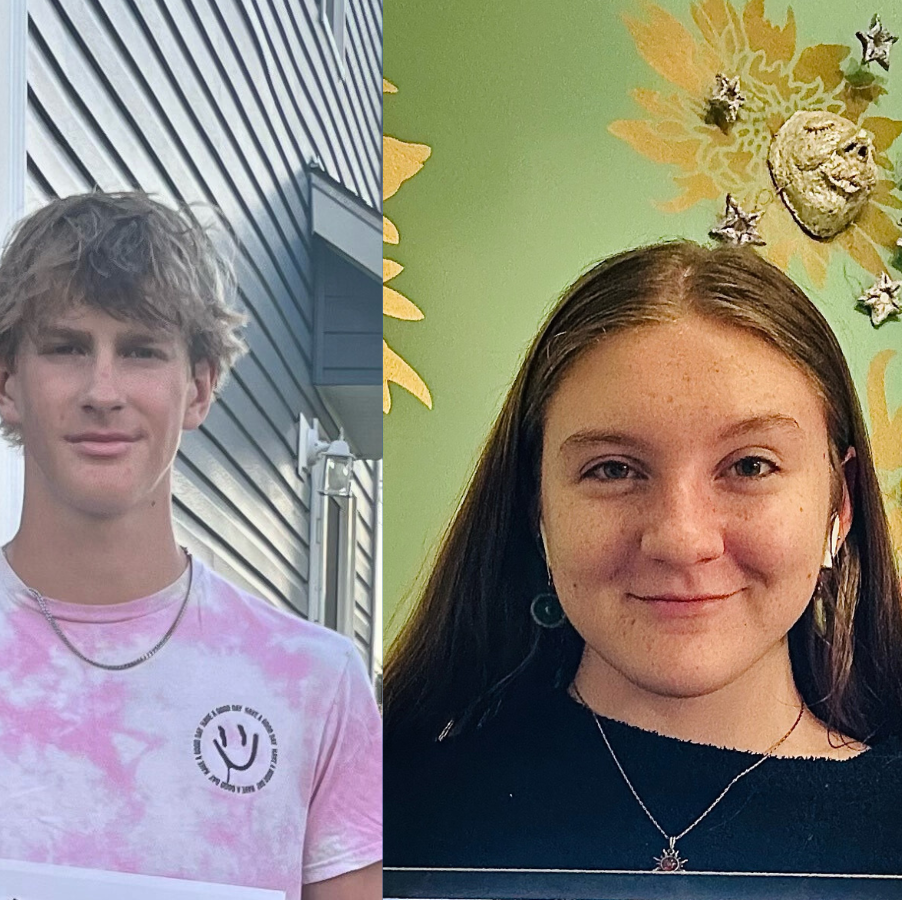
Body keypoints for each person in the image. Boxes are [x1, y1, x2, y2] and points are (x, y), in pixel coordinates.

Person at [0, 192, 382, 899]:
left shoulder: (314, 686)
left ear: (199, 387)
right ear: (4, 381)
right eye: (67, 348)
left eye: (141, 350)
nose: (103, 390)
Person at [384, 241, 902, 874]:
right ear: (536, 507)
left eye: (750, 466)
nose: (682, 540)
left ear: (838, 505)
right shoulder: (378, 822)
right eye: (613, 469)